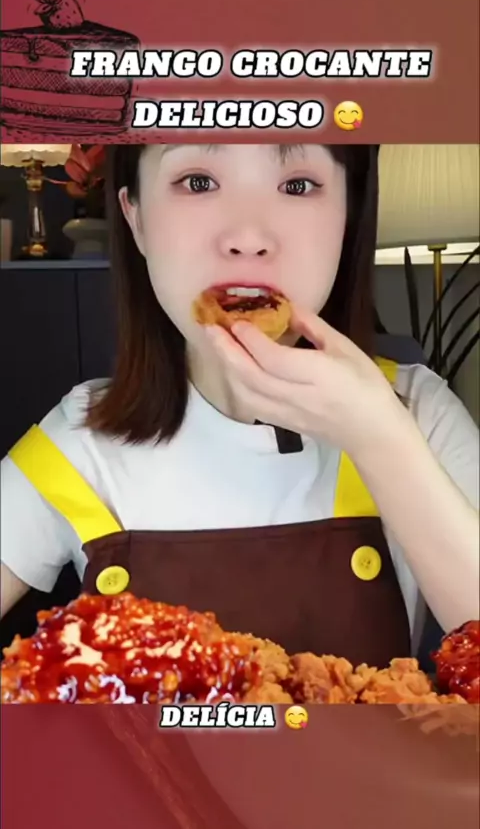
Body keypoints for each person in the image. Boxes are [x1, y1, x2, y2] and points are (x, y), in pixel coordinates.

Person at [1, 144, 478, 668]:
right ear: (135, 217)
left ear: (349, 215)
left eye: (297, 185)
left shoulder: (417, 412)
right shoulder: (79, 439)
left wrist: (379, 438)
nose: (248, 238)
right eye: (198, 182)